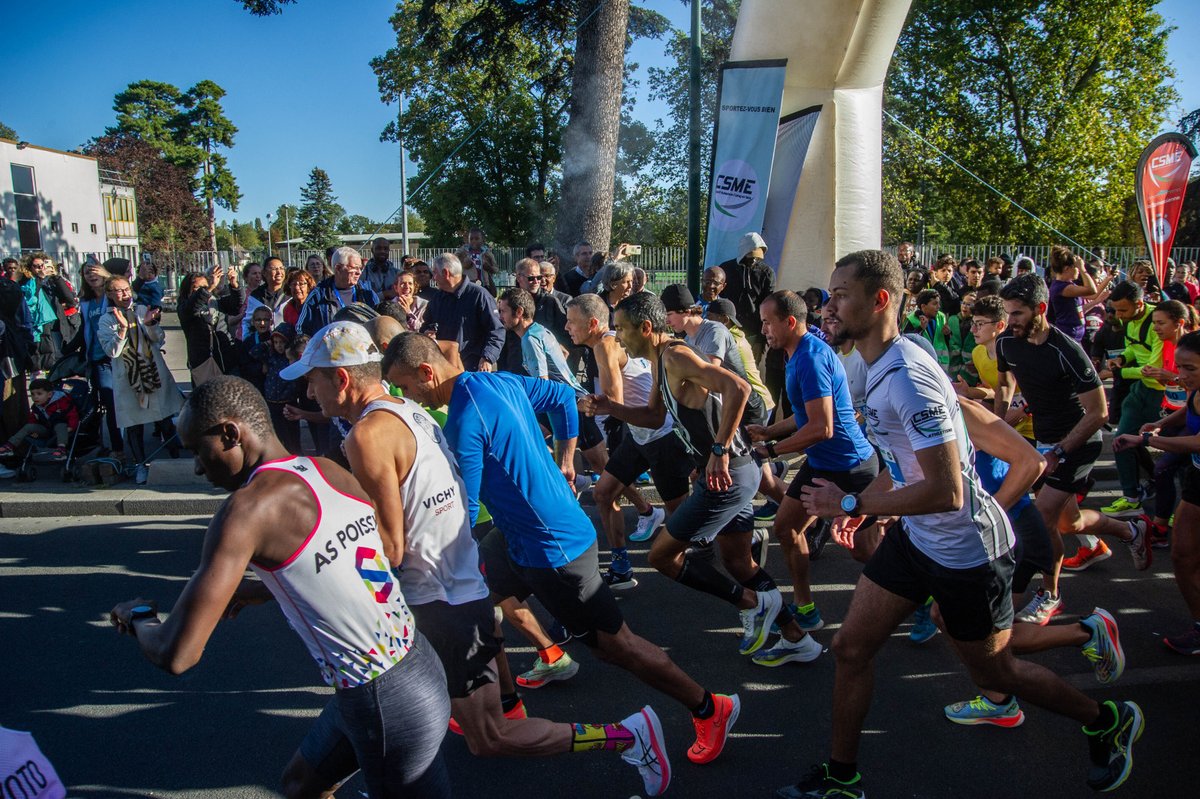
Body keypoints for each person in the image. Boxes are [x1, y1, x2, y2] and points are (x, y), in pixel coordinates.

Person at [780, 249, 1144, 798]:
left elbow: (946, 491)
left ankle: (1103, 719)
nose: (828, 308)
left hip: (968, 553)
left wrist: (854, 507)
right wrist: (869, 504)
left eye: (840, 295)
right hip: (917, 540)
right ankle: (841, 776)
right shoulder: (882, 366)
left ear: (879, 300)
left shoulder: (907, 379)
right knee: (851, 649)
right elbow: (907, 470)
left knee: (998, 675)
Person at [285, 322, 669, 796]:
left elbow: (390, 546)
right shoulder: (407, 409)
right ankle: (494, 712)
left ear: (341, 380)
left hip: (445, 604)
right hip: (454, 594)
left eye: (314, 377)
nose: (308, 389)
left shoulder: (367, 436)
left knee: (489, 738)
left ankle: (625, 736)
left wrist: (304, 572)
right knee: (354, 741)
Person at [383, 331, 740, 773]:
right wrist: (566, 458)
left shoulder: (461, 418)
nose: (407, 395)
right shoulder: (502, 382)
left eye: (406, 385)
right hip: (519, 538)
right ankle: (508, 706)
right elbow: (563, 397)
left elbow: (465, 508)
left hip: (552, 551)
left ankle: (709, 708)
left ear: (426, 371)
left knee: (617, 647)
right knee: (478, 599)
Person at [109, 376, 453, 799]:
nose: (198, 467)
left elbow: (176, 653)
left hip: (382, 699)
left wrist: (138, 617)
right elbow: (353, 561)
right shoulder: (325, 469)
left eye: (199, 450)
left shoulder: (246, 510)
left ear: (230, 433)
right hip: (414, 664)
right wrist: (257, 590)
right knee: (300, 785)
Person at [587, 292, 820, 665]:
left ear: (646, 328)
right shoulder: (661, 360)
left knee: (662, 556)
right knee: (738, 563)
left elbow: (737, 387)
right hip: (728, 474)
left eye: (622, 329)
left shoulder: (676, 356)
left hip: (729, 473)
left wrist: (718, 450)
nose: (617, 337)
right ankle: (797, 640)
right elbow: (651, 415)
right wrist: (610, 407)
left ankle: (755, 604)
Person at [995, 274, 1149, 628]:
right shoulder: (1006, 343)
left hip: (1077, 443)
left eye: (1017, 313)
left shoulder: (1066, 350)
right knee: (1070, 522)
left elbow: (1099, 413)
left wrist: (1059, 452)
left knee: (1043, 518)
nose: (1011, 321)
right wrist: (999, 429)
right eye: (1007, 313)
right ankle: (1130, 531)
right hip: (1044, 443)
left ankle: (1050, 596)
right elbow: (1004, 386)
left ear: (1041, 309)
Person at [745, 290, 878, 653]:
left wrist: (770, 449)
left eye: (768, 322)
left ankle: (926, 600)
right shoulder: (797, 354)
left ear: (790, 322)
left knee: (866, 553)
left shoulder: (811, 358)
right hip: (822, 464)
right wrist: (770, 430)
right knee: (786, 528)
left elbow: (823, 427)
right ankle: (805, 610)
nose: (763, 329)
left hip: (852, 468)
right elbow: (805, 416)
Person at [565, 293, 675, 587]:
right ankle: (621, 566)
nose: (566, 327)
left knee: (684, 514)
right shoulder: (606, 343)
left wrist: (579, 402)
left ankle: (741, 534)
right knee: (603, 493)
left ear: (591, 323)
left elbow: (613, 401)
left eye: (571, 321)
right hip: (638, 433)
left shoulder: (605, 344)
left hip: (661, 435)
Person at [1112, 330, 1200, 654]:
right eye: (1180, 367)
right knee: (1182, 554)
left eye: (1190, 368)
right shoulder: (1193, 389)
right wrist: (1159, 424)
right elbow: (1190, 411)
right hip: (1197, 480)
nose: (1181, 375)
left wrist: (1149, 440)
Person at [98, 275, 184, 483]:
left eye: (126, 289)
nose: (125, 294)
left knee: (164, 419)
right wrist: (122, 329)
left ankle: (176, 462)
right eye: (118, 291)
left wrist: (149, 325)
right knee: (134, 424)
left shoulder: (141, 310)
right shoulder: (106, 319)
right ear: (109, 294)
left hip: (152, 373)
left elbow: (159, 339)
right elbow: (112, 351)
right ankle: (140, 465)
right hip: (129, 378)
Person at [1100, 280, 1165, 517]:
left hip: (1162, 393)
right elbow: (1132, 349)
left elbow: (1154, 366)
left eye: (1123, 310)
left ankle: (1170, 506)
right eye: (1115, 309)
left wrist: (1116, 372)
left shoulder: (1157, 323)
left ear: (1139, 304)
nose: (1118, 315)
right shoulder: (1128, 321)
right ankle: (1131, 496)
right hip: (1141, 389)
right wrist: (1122, 360)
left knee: (1172, 454)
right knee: (1122, 440)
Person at [420, 252, 505, 372]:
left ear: (445, 273)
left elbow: (496, 330)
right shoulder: (437, 299)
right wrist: (426, 334)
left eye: (435, 273)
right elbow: (426, 325)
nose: (433, 278)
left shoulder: (479, 296)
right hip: (445, 368)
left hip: (474, 369)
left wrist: (487, 358)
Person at [176, 265, 244, 387]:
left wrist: (234, 284)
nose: (203, 290)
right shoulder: (184, 308)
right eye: (197, 288)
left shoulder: (215, 302)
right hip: (204, 364)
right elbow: (192, 307)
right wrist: (208, 288)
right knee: (208, 402)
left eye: (204, 287)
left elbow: (237, 304)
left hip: (227, 361)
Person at [295, 247, 380, 338]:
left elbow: (380, 324)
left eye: (360, 268)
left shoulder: (368, 293)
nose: (359, 272)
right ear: (338, 268)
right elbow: (301, 329)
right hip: (328, 350)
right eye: (354, 268)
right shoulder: (318, 296)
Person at [715, 232, 774, 360]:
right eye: (750, 257)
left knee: (750, 368)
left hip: (754, 330)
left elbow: (768, 303)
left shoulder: (766, 273)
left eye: (757, 257)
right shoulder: (726, 269)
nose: (753, 260)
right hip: (729, 328)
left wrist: (761, 339)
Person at [0, 377, 77, 460]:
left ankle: (61, 449)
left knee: (60, 425)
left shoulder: (61, 402)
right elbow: (32, 419)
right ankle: (10, 446)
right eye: (32, 394)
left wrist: (71, 427)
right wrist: (33, 431)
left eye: (39, 394)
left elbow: (73, 414)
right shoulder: (37, 407)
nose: (35, 397)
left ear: (49, 394)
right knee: (28, 427)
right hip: (45, 429)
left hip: (61, 429)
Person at [1047, 247, 1105, 343]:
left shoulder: (1070, 285)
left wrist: (1109, 278)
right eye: (1076, 267)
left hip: (1076, 336)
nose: (1078, 271)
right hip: (1068, 334)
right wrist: (1083, 269)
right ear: (1066, 269)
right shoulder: (1062, 288)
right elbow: (1091, 290)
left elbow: (1093, 295)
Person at [242, 257, 290, 338]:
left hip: (285, 343)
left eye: (281, 268)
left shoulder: (290, 293)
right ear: (264, 273)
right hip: (263, 344)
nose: (279, 272)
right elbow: (247, 322)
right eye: (274, 269)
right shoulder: (256, 296)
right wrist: (246, 341)